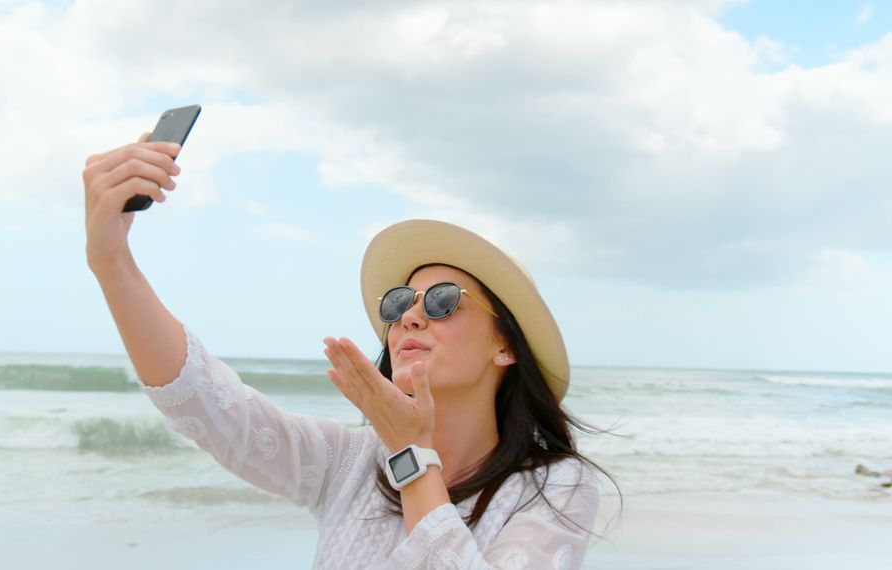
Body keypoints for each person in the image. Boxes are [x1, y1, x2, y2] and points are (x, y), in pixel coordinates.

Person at [84, 134, 607, 569]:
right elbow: (204, 400)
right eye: (400, 301)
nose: (410, 315)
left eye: (444, 302)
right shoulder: (349, 463)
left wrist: (412, 456)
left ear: (505, 346)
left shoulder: (556, 485)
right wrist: (111, 261)